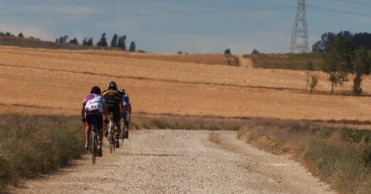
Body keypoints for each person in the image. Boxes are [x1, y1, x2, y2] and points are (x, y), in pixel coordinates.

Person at [81, 86, 107, 157]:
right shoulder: (101, 97)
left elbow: (82, 110)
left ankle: (87, 142)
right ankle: (99, 145)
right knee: (100, 130)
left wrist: (83, 119)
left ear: (91, 92)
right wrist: (105, 119)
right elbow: (105, 109)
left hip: (89, 113)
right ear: (99, 92)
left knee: (88, 125)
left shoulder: (87, 97)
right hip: (98, 114)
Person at [102, 81, 124, 148]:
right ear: (115, 87)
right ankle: (117, 138)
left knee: (105, 115)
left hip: (107, 107)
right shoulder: (118, 93)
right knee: (117, 122)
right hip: (115, 108)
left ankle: (105, 127)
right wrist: (121, 113)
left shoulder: (104, 92)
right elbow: (121, 104)